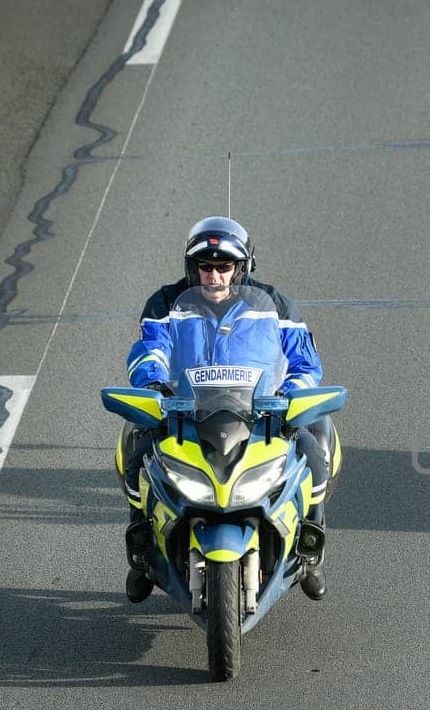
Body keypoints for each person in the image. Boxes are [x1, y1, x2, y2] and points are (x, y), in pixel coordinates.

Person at [118, 216, 339, 602]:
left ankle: (310, 552)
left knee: (317, 450)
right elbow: (149, 349)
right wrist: (153, 386)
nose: (214, 276)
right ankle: (143, 552)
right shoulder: (165, 303)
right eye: (206, 267)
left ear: (242, 267)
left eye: (224, 267)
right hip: (184, 415)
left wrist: (289, 395)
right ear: (192, 268)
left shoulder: (278, 306)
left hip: (262, 417)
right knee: (134, 451)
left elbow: (306, 364)